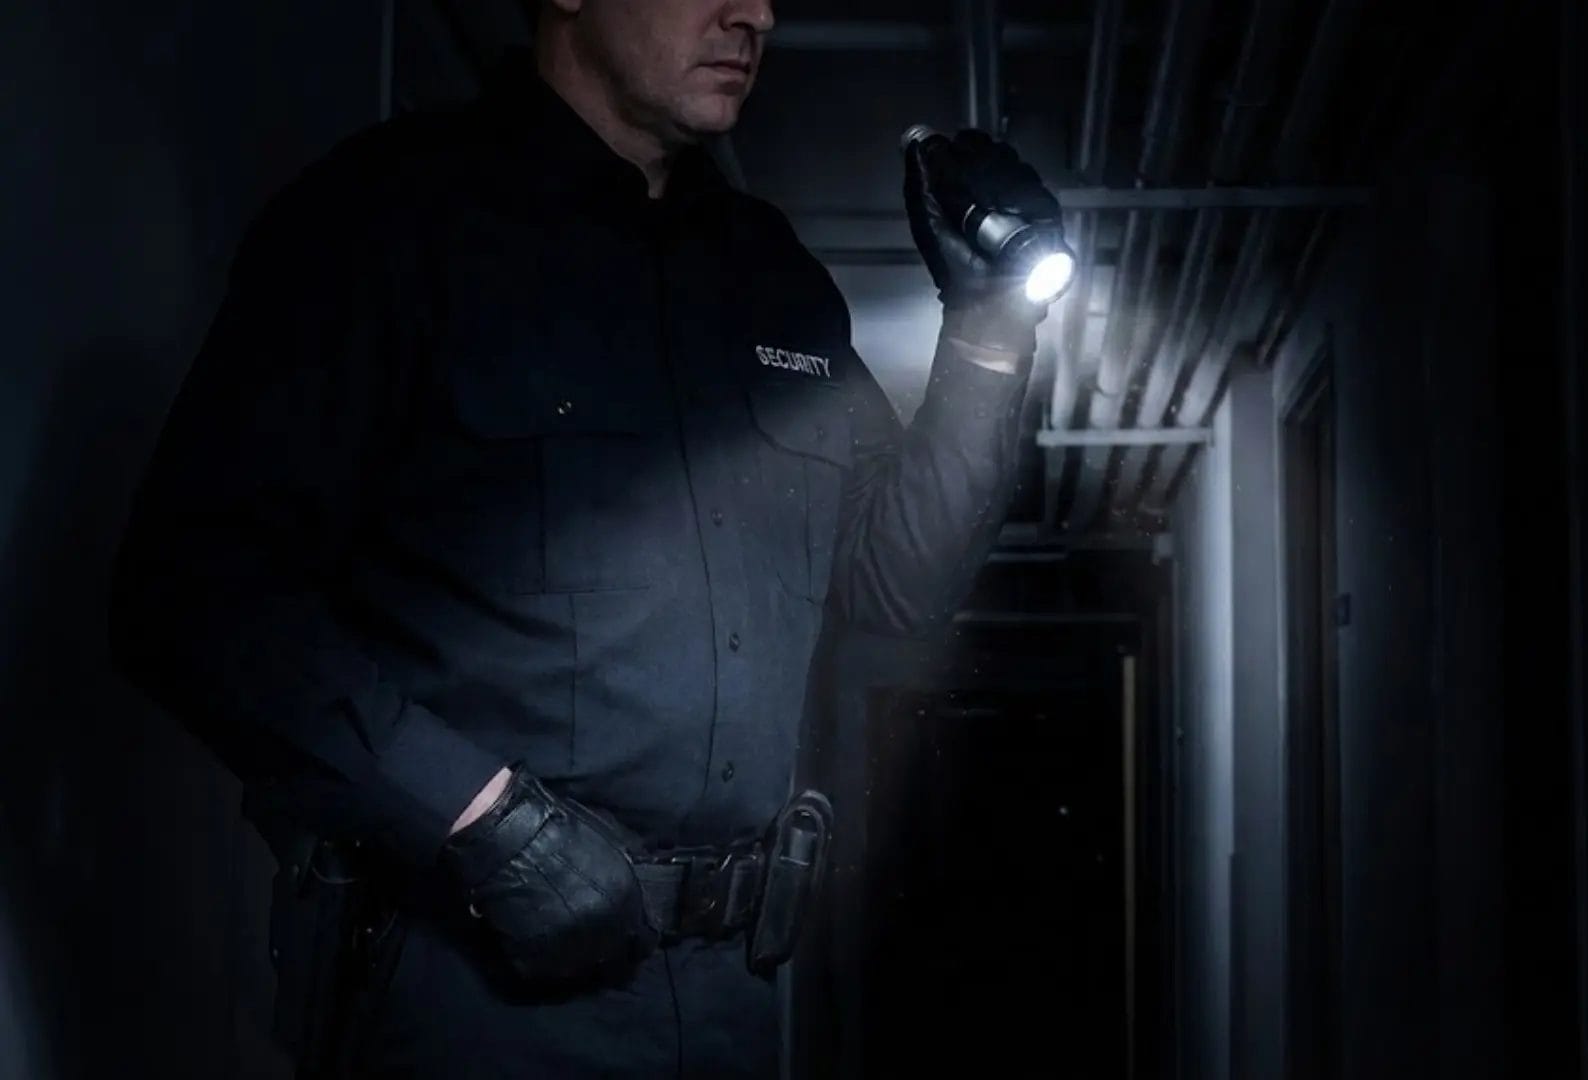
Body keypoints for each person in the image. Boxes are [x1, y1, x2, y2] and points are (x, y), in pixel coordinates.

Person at [107, 0, 1062, 1075]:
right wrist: (474, 819)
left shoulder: (768, 274)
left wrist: (989, 328)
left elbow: (898, 583)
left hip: (732, 1001)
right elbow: (194, 588)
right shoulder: (391, 219)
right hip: (474, 997)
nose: (756, 13)